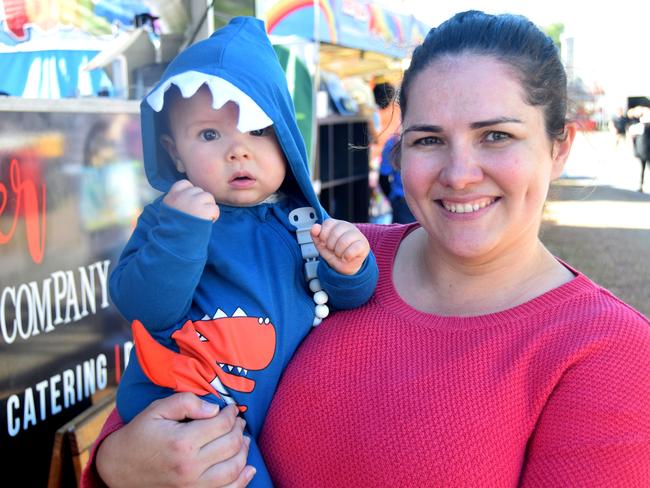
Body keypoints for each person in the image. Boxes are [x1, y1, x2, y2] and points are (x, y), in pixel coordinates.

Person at [83, 10, 650, 487]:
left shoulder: (607, 351)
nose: (459, 173)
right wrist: (115, 462)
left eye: (496, 135)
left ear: (559, 147)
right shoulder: (323, 254)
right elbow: (164, 388)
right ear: (399, 153)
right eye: (428, 139)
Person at [106, 16, 377, 487]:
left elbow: (346, 300)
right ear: (174, 153)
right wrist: (180, 232)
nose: (239, 151)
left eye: (257, 130)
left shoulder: (302, 222)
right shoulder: (169, 218)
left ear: (287, 139)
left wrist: (351, 267)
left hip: (277, 409)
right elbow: (143, 306)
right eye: (210, 135)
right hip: (191, 402)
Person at [378, 134, 416, 223]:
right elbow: (383, 178)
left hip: (402, 202)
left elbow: (383, 177)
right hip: (403, 204)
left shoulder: (393, 142)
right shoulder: (393, 143)